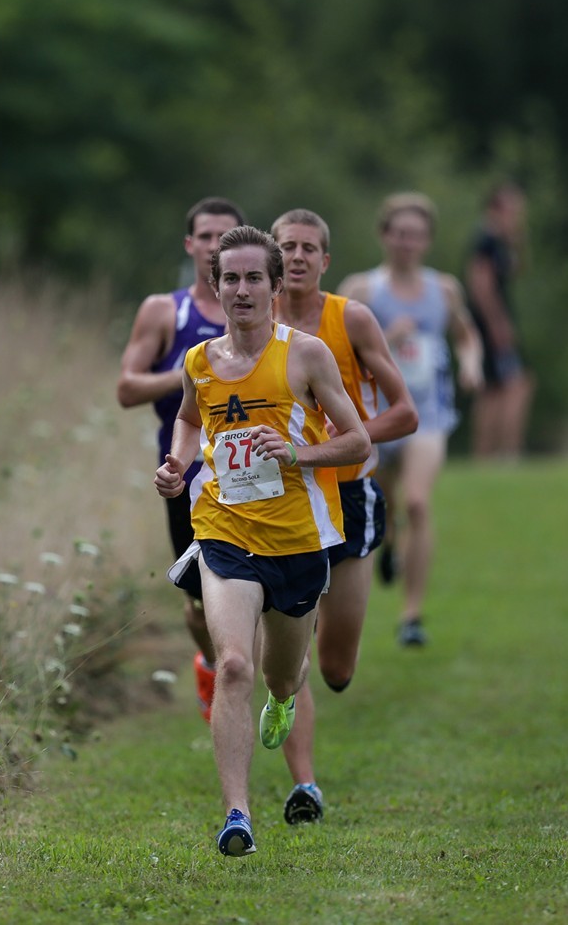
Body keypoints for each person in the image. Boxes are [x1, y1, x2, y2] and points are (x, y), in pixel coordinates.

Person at [155, 225, 370, 858]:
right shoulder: (200, 362)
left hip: (300, 540)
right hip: (225, 528)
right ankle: (237, 816)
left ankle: (285, 693)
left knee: (282, 674)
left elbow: (356, 441)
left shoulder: (306, 355)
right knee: (233, 663)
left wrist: (300, 454)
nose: (242, 290)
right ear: (215, 286)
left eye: (254, 278)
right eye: (231, 279)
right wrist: (176, 465)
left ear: (276, 287)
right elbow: (190, 421)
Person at [270, 208, 418, 825]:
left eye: (309, 248)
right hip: (277, 503)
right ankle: (305, 786)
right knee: (292, 652)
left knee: (336, 669)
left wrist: (350, 434)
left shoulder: (349, 318)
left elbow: (405, 412)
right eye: (288, 247)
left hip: (350, 496)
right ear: (272, 259)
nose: (298, 256)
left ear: (326, 261)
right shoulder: (252, 320)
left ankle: (298, 669)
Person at [116, 197, 245, 722]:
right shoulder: (166, 311)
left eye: (226, 236)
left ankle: (239, 670)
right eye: (206, 236)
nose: (215, 245)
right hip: (184, 474)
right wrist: (196, 371)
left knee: (255, 588)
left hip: (249, 475)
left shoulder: (258, 307)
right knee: (197, 599)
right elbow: (127, 388)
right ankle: (213, 661)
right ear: (190, 244)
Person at [339, 194, 482, 647]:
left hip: (427, 414)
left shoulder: (444, 290)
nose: (407, 242)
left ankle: (411, 615)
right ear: (384, 236)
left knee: (418, 501)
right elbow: (329, 349)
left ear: (427, 241)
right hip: (373, 416)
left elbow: (465, 334)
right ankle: (391, 540)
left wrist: (472, 362)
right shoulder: (362, 290)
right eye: (399, 233)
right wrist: (383, 338)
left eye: (416, 235)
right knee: (382, 505)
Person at [466, 182, 534, 460]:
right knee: (517, 385)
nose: (517, 215)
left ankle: (487, 454)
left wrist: (516, 239)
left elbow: (518, 270)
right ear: (495, 209)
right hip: (490, 322)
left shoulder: (499, 241)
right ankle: (506, 452)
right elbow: (480, 283)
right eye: (512, 210)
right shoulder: (487, 240)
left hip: (493, 320)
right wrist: (497, 324)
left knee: (494, 389)